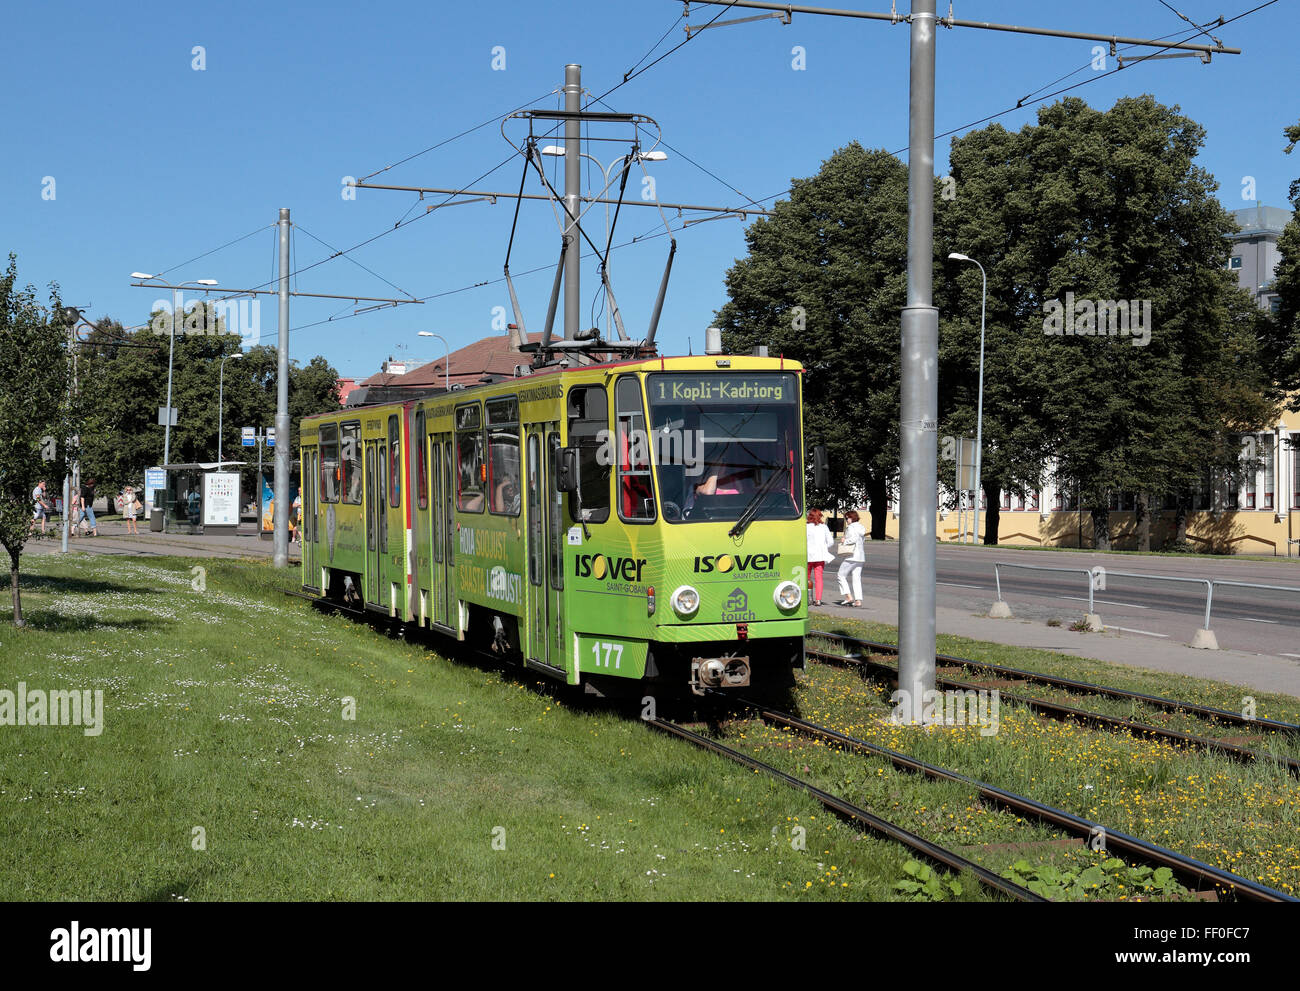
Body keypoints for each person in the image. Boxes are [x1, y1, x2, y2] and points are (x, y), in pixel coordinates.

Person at [835, 509, 867, 607]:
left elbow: (853, 539)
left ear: (851, 518)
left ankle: (848, 596)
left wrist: (844, 541)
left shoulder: (851, 527)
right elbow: (862, 540)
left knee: (841, 575)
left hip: (851, 556)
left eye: (847, 518)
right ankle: (858, 600)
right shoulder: (861, 527)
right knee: (856, 578)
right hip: (860, 556)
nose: (846, 520)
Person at [806, 508, 834, 607]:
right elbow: (831, 542)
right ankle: (818, 600)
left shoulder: (806, 527)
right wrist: (823, 547)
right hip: (820, 556)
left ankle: (807, 599)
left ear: (809, 516)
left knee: (806, 578)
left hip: (808, 556)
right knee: (819, 578)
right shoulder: (824, 527)